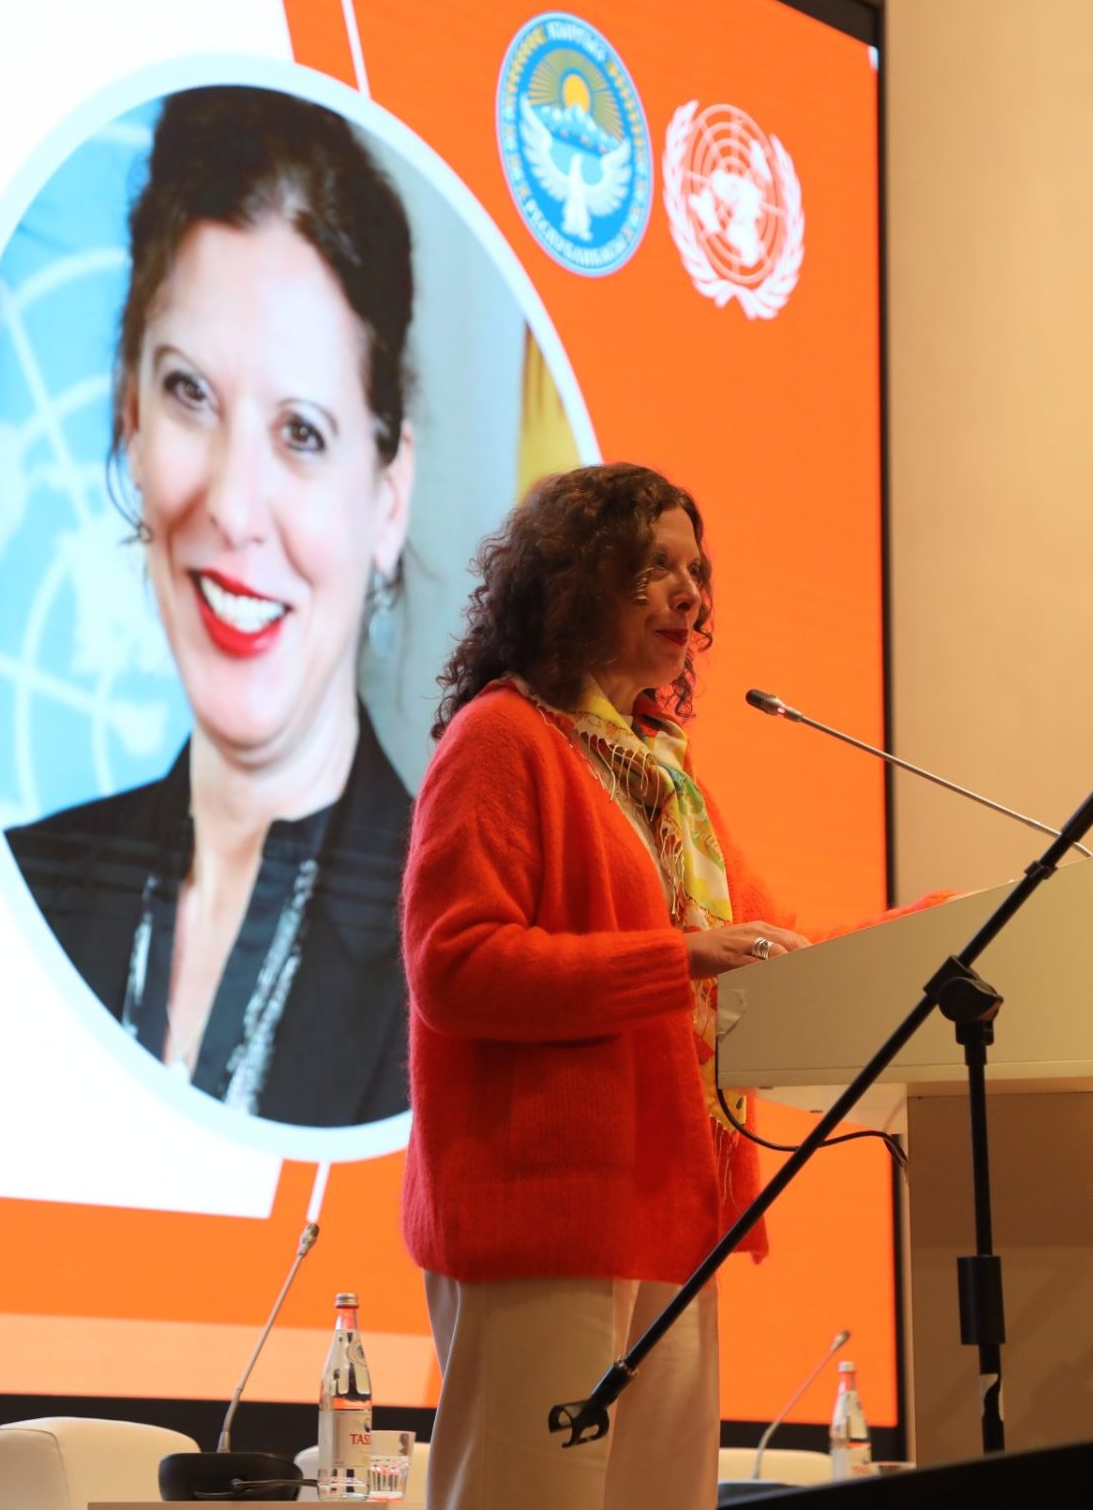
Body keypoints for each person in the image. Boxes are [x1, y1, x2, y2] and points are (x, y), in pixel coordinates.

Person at [400, 462, 813, 1510]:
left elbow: (785, 950)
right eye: (654, 568)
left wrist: (953, 925)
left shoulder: (666, 777)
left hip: (671, 1214)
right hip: (545, 1216)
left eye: (696, 570)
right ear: (577, 581)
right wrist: (680, 959)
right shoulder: (503, 738)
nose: (689, 594)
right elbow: (457, 966)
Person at [8, 87, 419, 1129]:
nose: (232, 506)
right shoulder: (24, 889)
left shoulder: (469, 959)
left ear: (389, 496)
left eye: (303, 432)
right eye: (190, 393)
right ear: (130, 414)